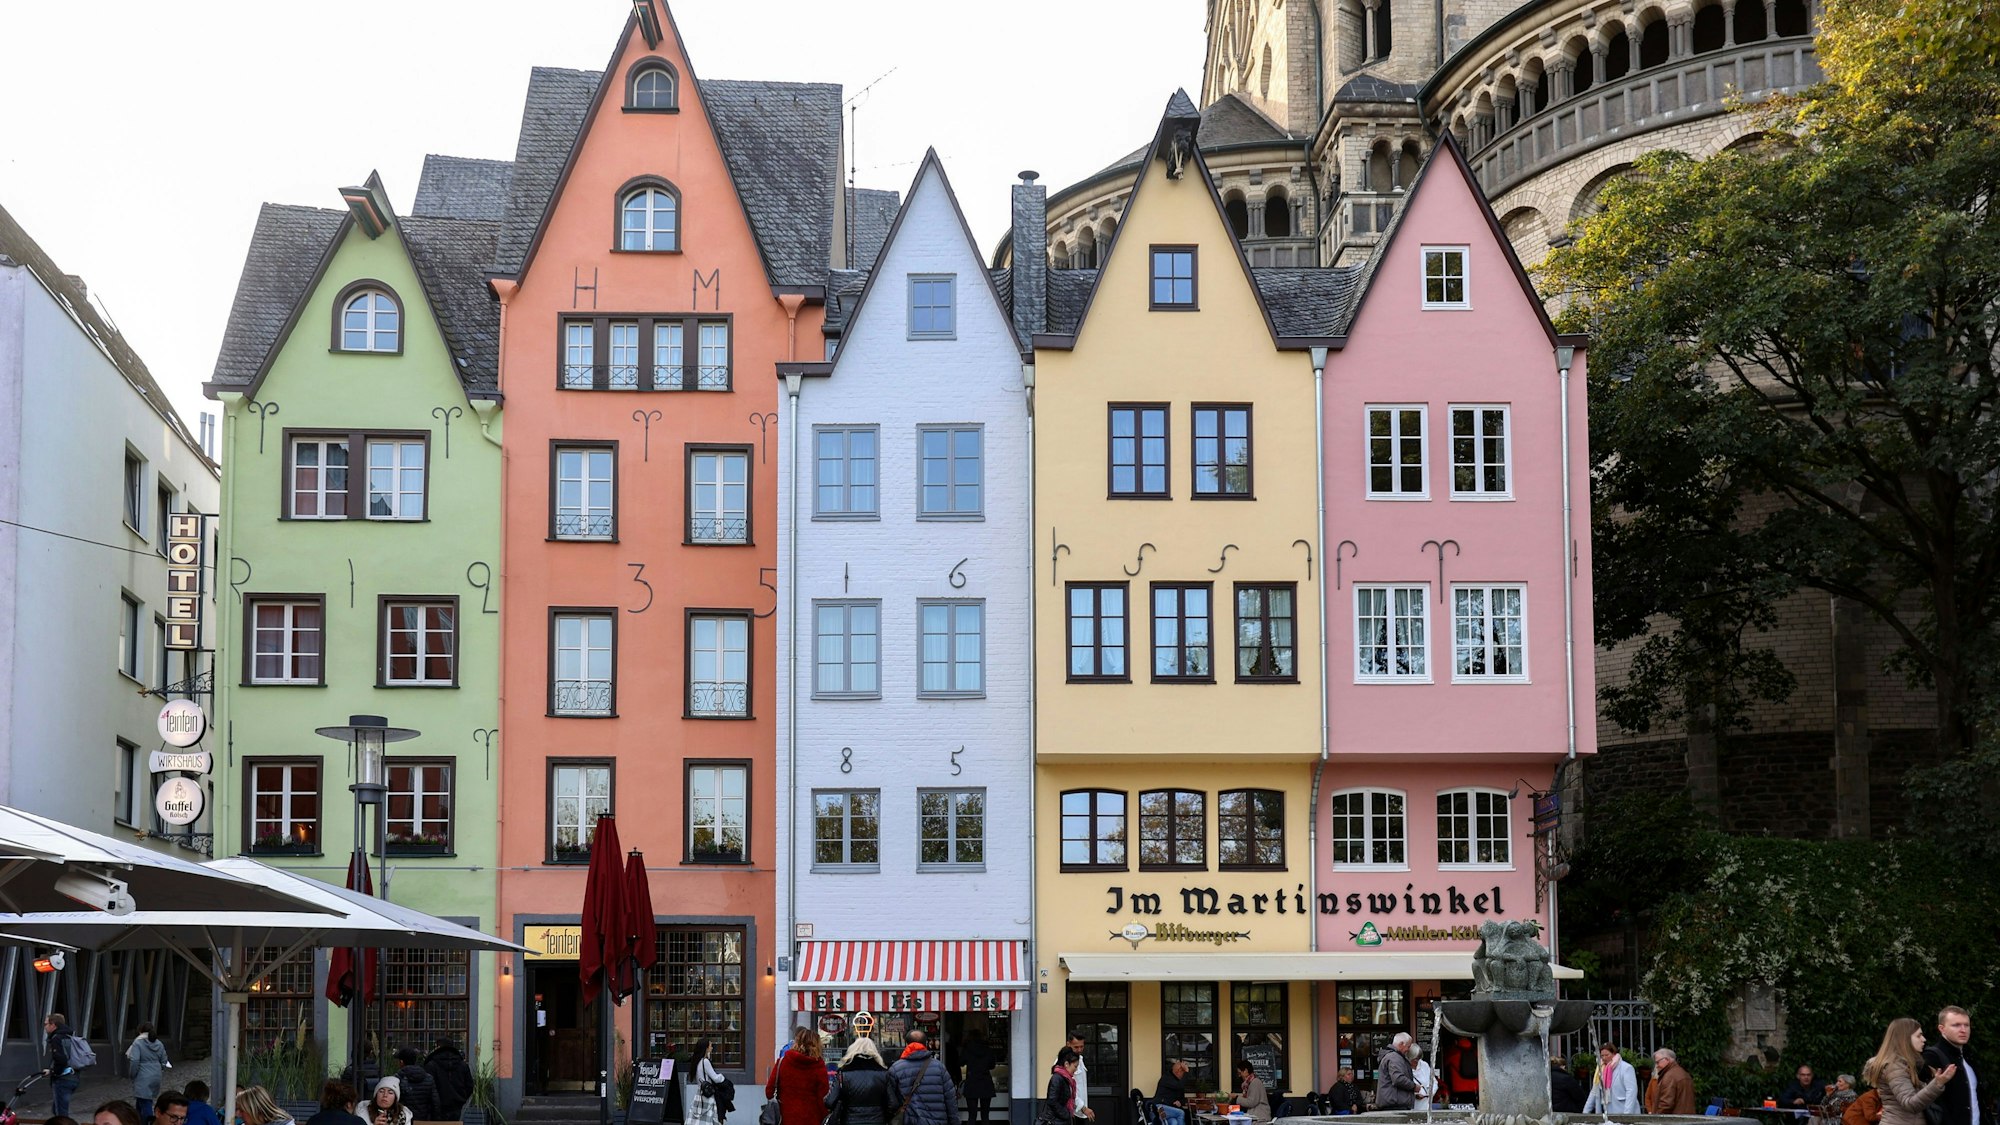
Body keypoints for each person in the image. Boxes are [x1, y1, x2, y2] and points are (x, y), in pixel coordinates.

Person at [1865, 1017, 1955, 1125]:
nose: (1924, 1039)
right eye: (1919, 1035)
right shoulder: (1894, 1067)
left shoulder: (1909, 1064)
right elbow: (1910, 1104)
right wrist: (1938, 1083)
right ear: (1905, 1038)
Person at [1923, 1006, 1992, 1125]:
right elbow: (1924, 1102)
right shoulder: (1932, 1057)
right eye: (1956, 1025)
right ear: (1942, 1029)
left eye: (1966, 1025)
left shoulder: (1969, 1057)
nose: (1963, 1030)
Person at [889, 1027, 958, 1125]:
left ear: (907, 1044)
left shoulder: (896, 1068)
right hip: (937, 1121)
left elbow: (891, 1102)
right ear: (925, 1044)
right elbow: (950, 1099)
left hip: (909, 1121)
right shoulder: (939, 1067)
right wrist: (954, 1121)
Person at [826, 1038, 901, 1125]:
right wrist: (884, 1115)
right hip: (877, 1120)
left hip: (850, 1120)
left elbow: (830, 1102)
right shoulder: (883, 1074)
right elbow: (893, 1104)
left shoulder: (843, 1074)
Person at [766, 1028, 831, 1125]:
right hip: (812, 1119)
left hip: (785, 1118)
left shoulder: (782, 1062)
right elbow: (823, 1099)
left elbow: (769, 1092)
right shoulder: (818, 1067)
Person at [40, 1013, 84, 1117]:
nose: (45, 1027)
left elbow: (61, 1060)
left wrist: (53, 1072)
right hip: (74, 1076)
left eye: (46, 1024)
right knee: (57, 1110)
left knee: (61, 1113)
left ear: (53, 1025)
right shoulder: (69, 1036)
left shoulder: (57, 1038)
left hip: (63, 1079)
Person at [128, 1023, 171, 1123]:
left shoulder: (138, 1043)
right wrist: (159, 1069)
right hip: (156, 1075)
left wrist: (132, 1074)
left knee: (145, 1103)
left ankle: (149, 1122)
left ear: (140, 1031)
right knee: (141, 1100)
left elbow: (134, 1061)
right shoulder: (159, 1043)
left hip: (143, 1075)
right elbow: (164, 1060)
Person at [423, 1040, 474, 1122]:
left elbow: (426, 1086)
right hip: (456, 1105)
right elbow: (469, 1086)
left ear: (438, 1047)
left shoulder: (431, 1065)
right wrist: (461, 1098)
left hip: (436, 1107)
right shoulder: (462, 1065)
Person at [1584, 1045, 1640, 1115]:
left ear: (1614, 1054)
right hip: (1608, 1112)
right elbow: (1594, 1091)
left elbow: (1631, 1092)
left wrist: (1627, 1114)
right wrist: (1585, 1112)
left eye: (1607, 1055)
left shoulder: (1626, 1068)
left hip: (1623, 1110)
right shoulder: (1600, 1069)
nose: (1604, 1058)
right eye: (1602, 1056)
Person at [959, 1030, 997, 1125]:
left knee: (972, 1116)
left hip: (972, 1082)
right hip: (985, 1082)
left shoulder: (967, 1049)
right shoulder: (988, 1049)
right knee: (985, 1116)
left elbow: (961, 1062)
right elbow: (992, 1065)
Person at [686, 1039, 726, 1125]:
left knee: (697, 1119)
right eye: (710, 1046)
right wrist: (722, 1077)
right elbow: (715, 1078)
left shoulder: (697, 1061)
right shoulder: (705, 1061)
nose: (712, 1048)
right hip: (708, 1094)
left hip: (700, 1094)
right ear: (706, 1048)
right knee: (710, 1118)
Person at [1375, 1034, 1419, 1111]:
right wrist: (1414, 1086)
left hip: (1393, 1103)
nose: (1408, 1049)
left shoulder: (1393, 1056)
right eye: (1408, 1046)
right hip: (1395, 1104)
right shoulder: (1394, 1057)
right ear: (1401, 1044)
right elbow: (1398, 1079)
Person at [393, 1049, 439, 1122]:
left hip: (404, 1119)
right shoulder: (428, 1078)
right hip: (424, 1119)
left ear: (401, 1062)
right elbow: (435, 1102)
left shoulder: (397, 1079)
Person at [1648, 1049, 1696, 1115]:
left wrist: (1656, 1118)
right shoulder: (1683, 1073)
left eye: (1657, 1062)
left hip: (1674, 1119)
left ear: (1667, 1060)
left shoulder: (1669, 1077)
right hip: (1686, 1117)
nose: (1656, 1066)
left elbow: (1665, 1105)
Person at [1041, 1049, 1081, 1125]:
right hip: (1055, 1120)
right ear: (1066, 1064)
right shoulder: (1057, 1078)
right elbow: (1052, 1101)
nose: (1076, 1070)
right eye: (1075, 1066)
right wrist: (1066, 1114)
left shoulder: (1067, 1079)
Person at [1064, 1034, 1095, 1123]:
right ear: (1068, 1044)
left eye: (1082, 1046)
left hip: (1079, 1112)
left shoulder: (1079, 1059)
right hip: (1070, 1112)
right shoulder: (1064, 1062)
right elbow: (1067, 1089)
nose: (1080, 1050)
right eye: (1076, 1047)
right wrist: (1083, 1107)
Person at [1442, 1036, 1481, 1106]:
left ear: (1456, 1041)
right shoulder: (1476, 1052)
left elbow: (1443, 1064)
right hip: (1475, 1089)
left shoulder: (1452, 1053)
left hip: (1458, 1091)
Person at [1153, 1059, 1189, 1125]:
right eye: (1183, 1073)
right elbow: (1179, 1086)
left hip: (1171, 1108)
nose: (1183, 1076)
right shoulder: (1166, 1078)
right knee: (1180, 1113)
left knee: (1174, 1122)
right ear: (1179, 1071)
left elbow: (1183, 1098)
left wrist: (1180, 1102)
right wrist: (1186, 1072)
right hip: (1160, 1107)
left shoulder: (1179, 1082)